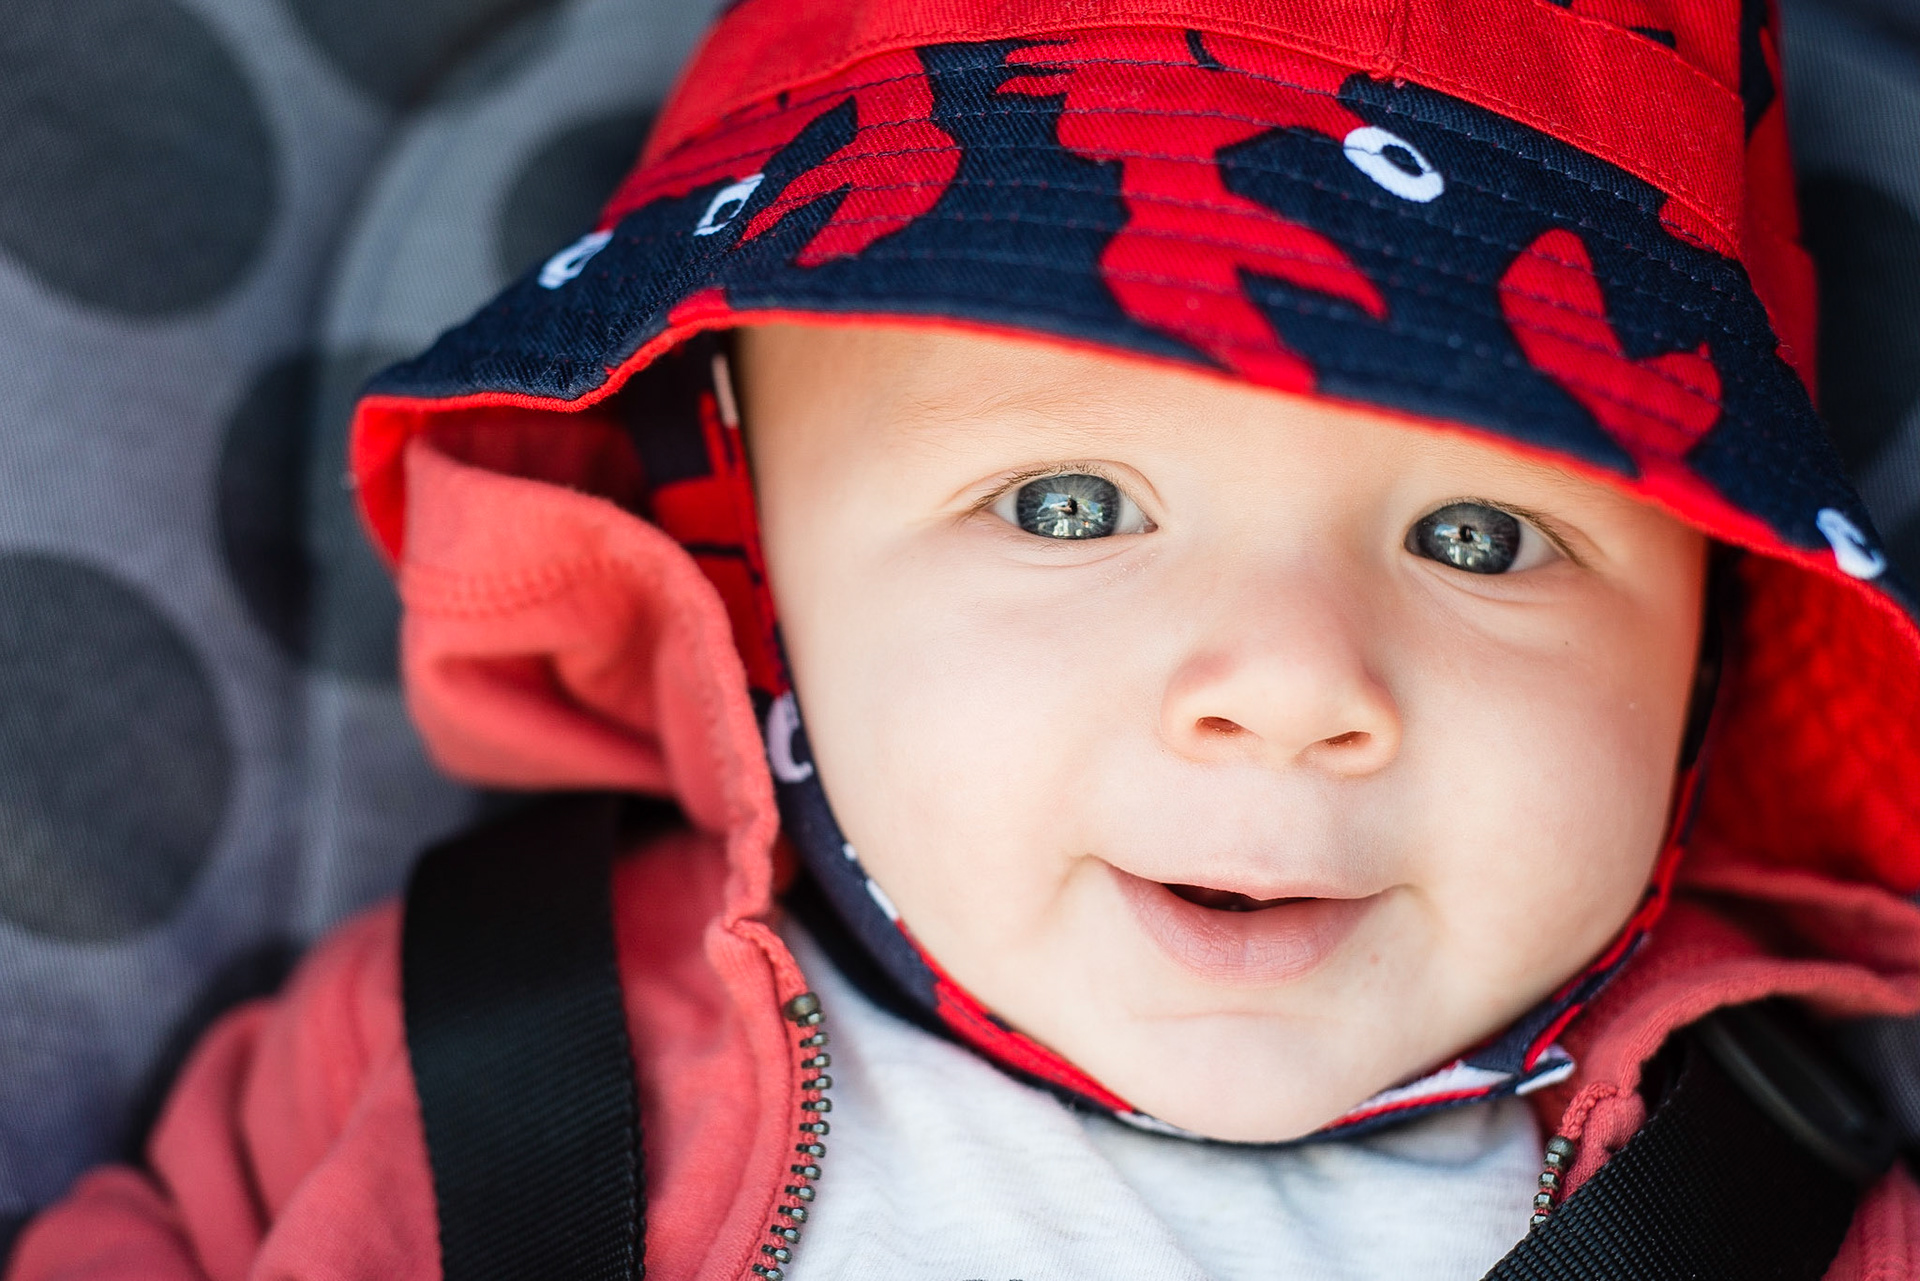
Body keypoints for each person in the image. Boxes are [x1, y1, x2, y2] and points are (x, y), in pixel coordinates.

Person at [11, 0, 1920, 1276]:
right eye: (1069, 505)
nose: (1289, 687)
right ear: (752, 544)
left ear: (1708, 638)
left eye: (1482, 537)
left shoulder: (1779, 1213)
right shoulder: (467, 1054)